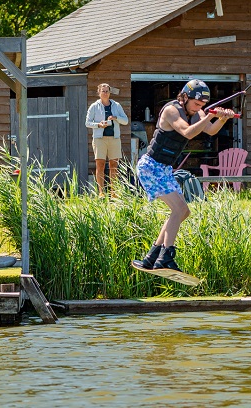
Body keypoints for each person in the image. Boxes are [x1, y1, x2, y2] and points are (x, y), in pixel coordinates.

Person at [132, 79, 236, 272]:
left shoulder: (196, 112)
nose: (199, 108)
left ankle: (152, 257)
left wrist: (222, 118)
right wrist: (207, 116)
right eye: (197, 104)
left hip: (164, 169)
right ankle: (166, 257)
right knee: (179, 210)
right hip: (151, 167)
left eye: (203, 105)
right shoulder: (172, 110)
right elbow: (188, 133)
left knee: (183, 212)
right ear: (185, 97)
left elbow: (211, 130)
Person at [85, 83, 129, 196]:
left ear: (110, 93)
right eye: (103, 91)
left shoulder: (116, 105)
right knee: (100, 165)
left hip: (114, 138)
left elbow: (125, 121)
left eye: (107, 91)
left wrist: (115, 118)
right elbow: (87, 123)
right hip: (100, 139)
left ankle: (113, 192)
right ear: (99, 93)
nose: (105, 93)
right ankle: (101, 193)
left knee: (114, 165)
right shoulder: (94, 106)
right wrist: (99, 125)